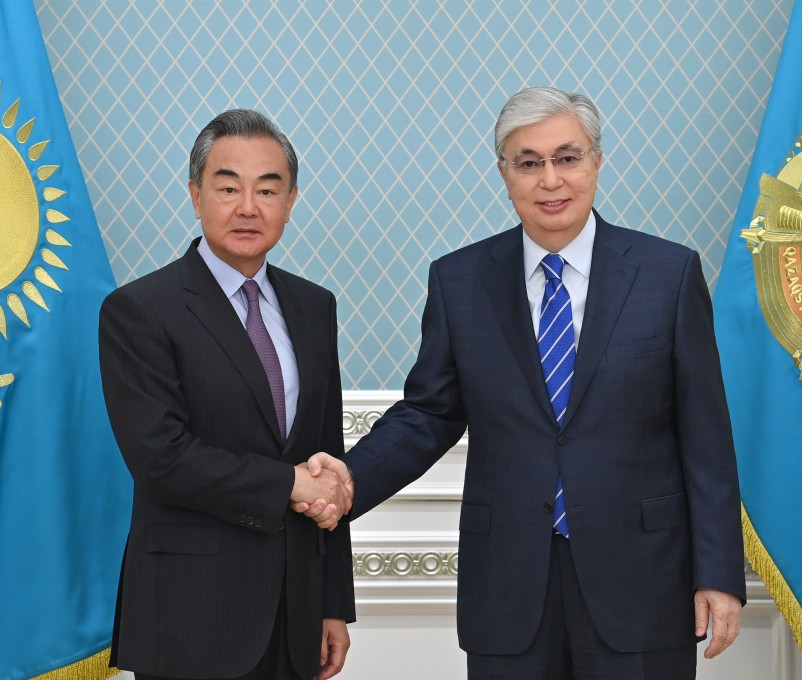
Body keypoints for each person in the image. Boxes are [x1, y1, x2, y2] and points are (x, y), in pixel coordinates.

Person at [302, 86, 745, 679]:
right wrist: (350, 480)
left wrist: (718, 573)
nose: (551, 180)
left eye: (568, 157)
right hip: (508, 586)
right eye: (529, 162)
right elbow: (428, 415)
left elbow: (705, 436)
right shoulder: (459, 281)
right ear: (504, 174)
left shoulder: (668, 273)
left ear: (597, 161)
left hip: (642, 581)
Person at [99, 109, 354, 680]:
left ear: (290, 201)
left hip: (296, 612)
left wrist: (334, 603)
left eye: (268, 189)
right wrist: (288, 483)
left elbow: (326, 456)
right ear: (195, 195)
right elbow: (160, 457)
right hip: (190, 614)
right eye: (228, 186)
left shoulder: (315, 307)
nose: (248, 207)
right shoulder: (140, 309)